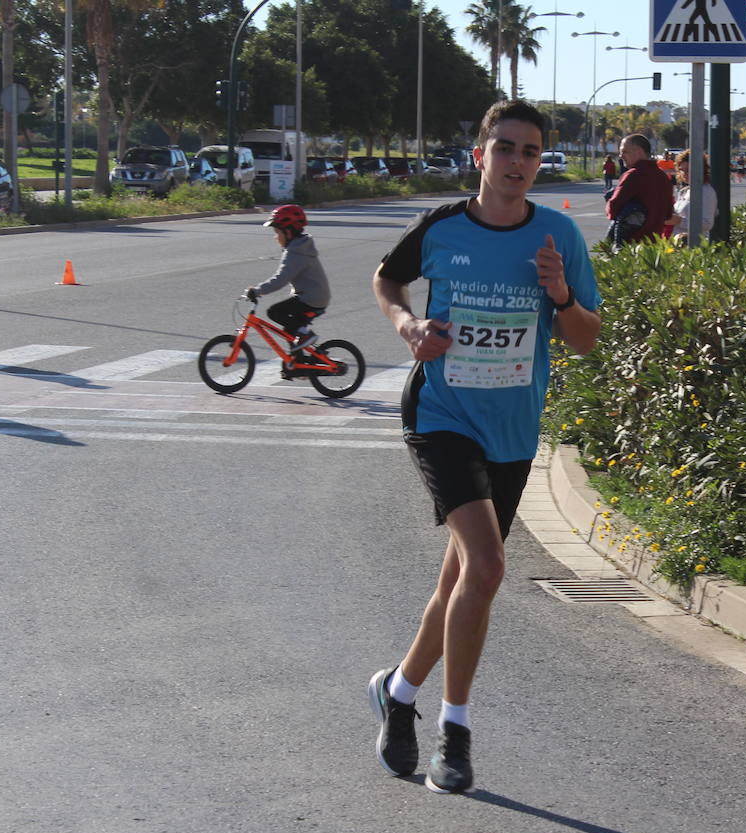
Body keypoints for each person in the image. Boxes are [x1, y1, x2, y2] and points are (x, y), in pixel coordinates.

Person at [369, 100, 601, 795]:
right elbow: (387, 279)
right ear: (480, 155)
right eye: (504, 147)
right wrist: (408, 324)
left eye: (530, 151)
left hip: (511, 429)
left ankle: (398, 692)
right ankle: (456, 731)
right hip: (441, 414)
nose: (516, 162)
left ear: (540, 162)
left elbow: (585, 338)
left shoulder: (558, 235)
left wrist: (560, 295)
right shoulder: (442, 227)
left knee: (459, 582)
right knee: (491, 566)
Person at [244, 204, 329, 354]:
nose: (275, 237)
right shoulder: (300, 247)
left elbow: (280, 279)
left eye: (277, 232)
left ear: (288, 232)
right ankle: (297, 363)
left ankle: (305, 335)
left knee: (274, 312)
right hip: (314, 297)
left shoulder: (295, 252)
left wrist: (257, 291)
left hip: (311, 299)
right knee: (289, 329)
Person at [605, 134, 674, 246]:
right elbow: (668, 215)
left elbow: (612, 209)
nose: (621, 156)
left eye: (624, 151)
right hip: (653, 248)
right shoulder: (663, 177)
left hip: (629, 247)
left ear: (638, 151)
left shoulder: (633, 175)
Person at [664, 149, 717, 246]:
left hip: (695, 246)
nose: (685, 173)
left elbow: (707, 223)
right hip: (676, 244)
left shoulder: (706, 191)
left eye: (688, 170)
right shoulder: (684, 191)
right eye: (681, 170)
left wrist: (679, 221)